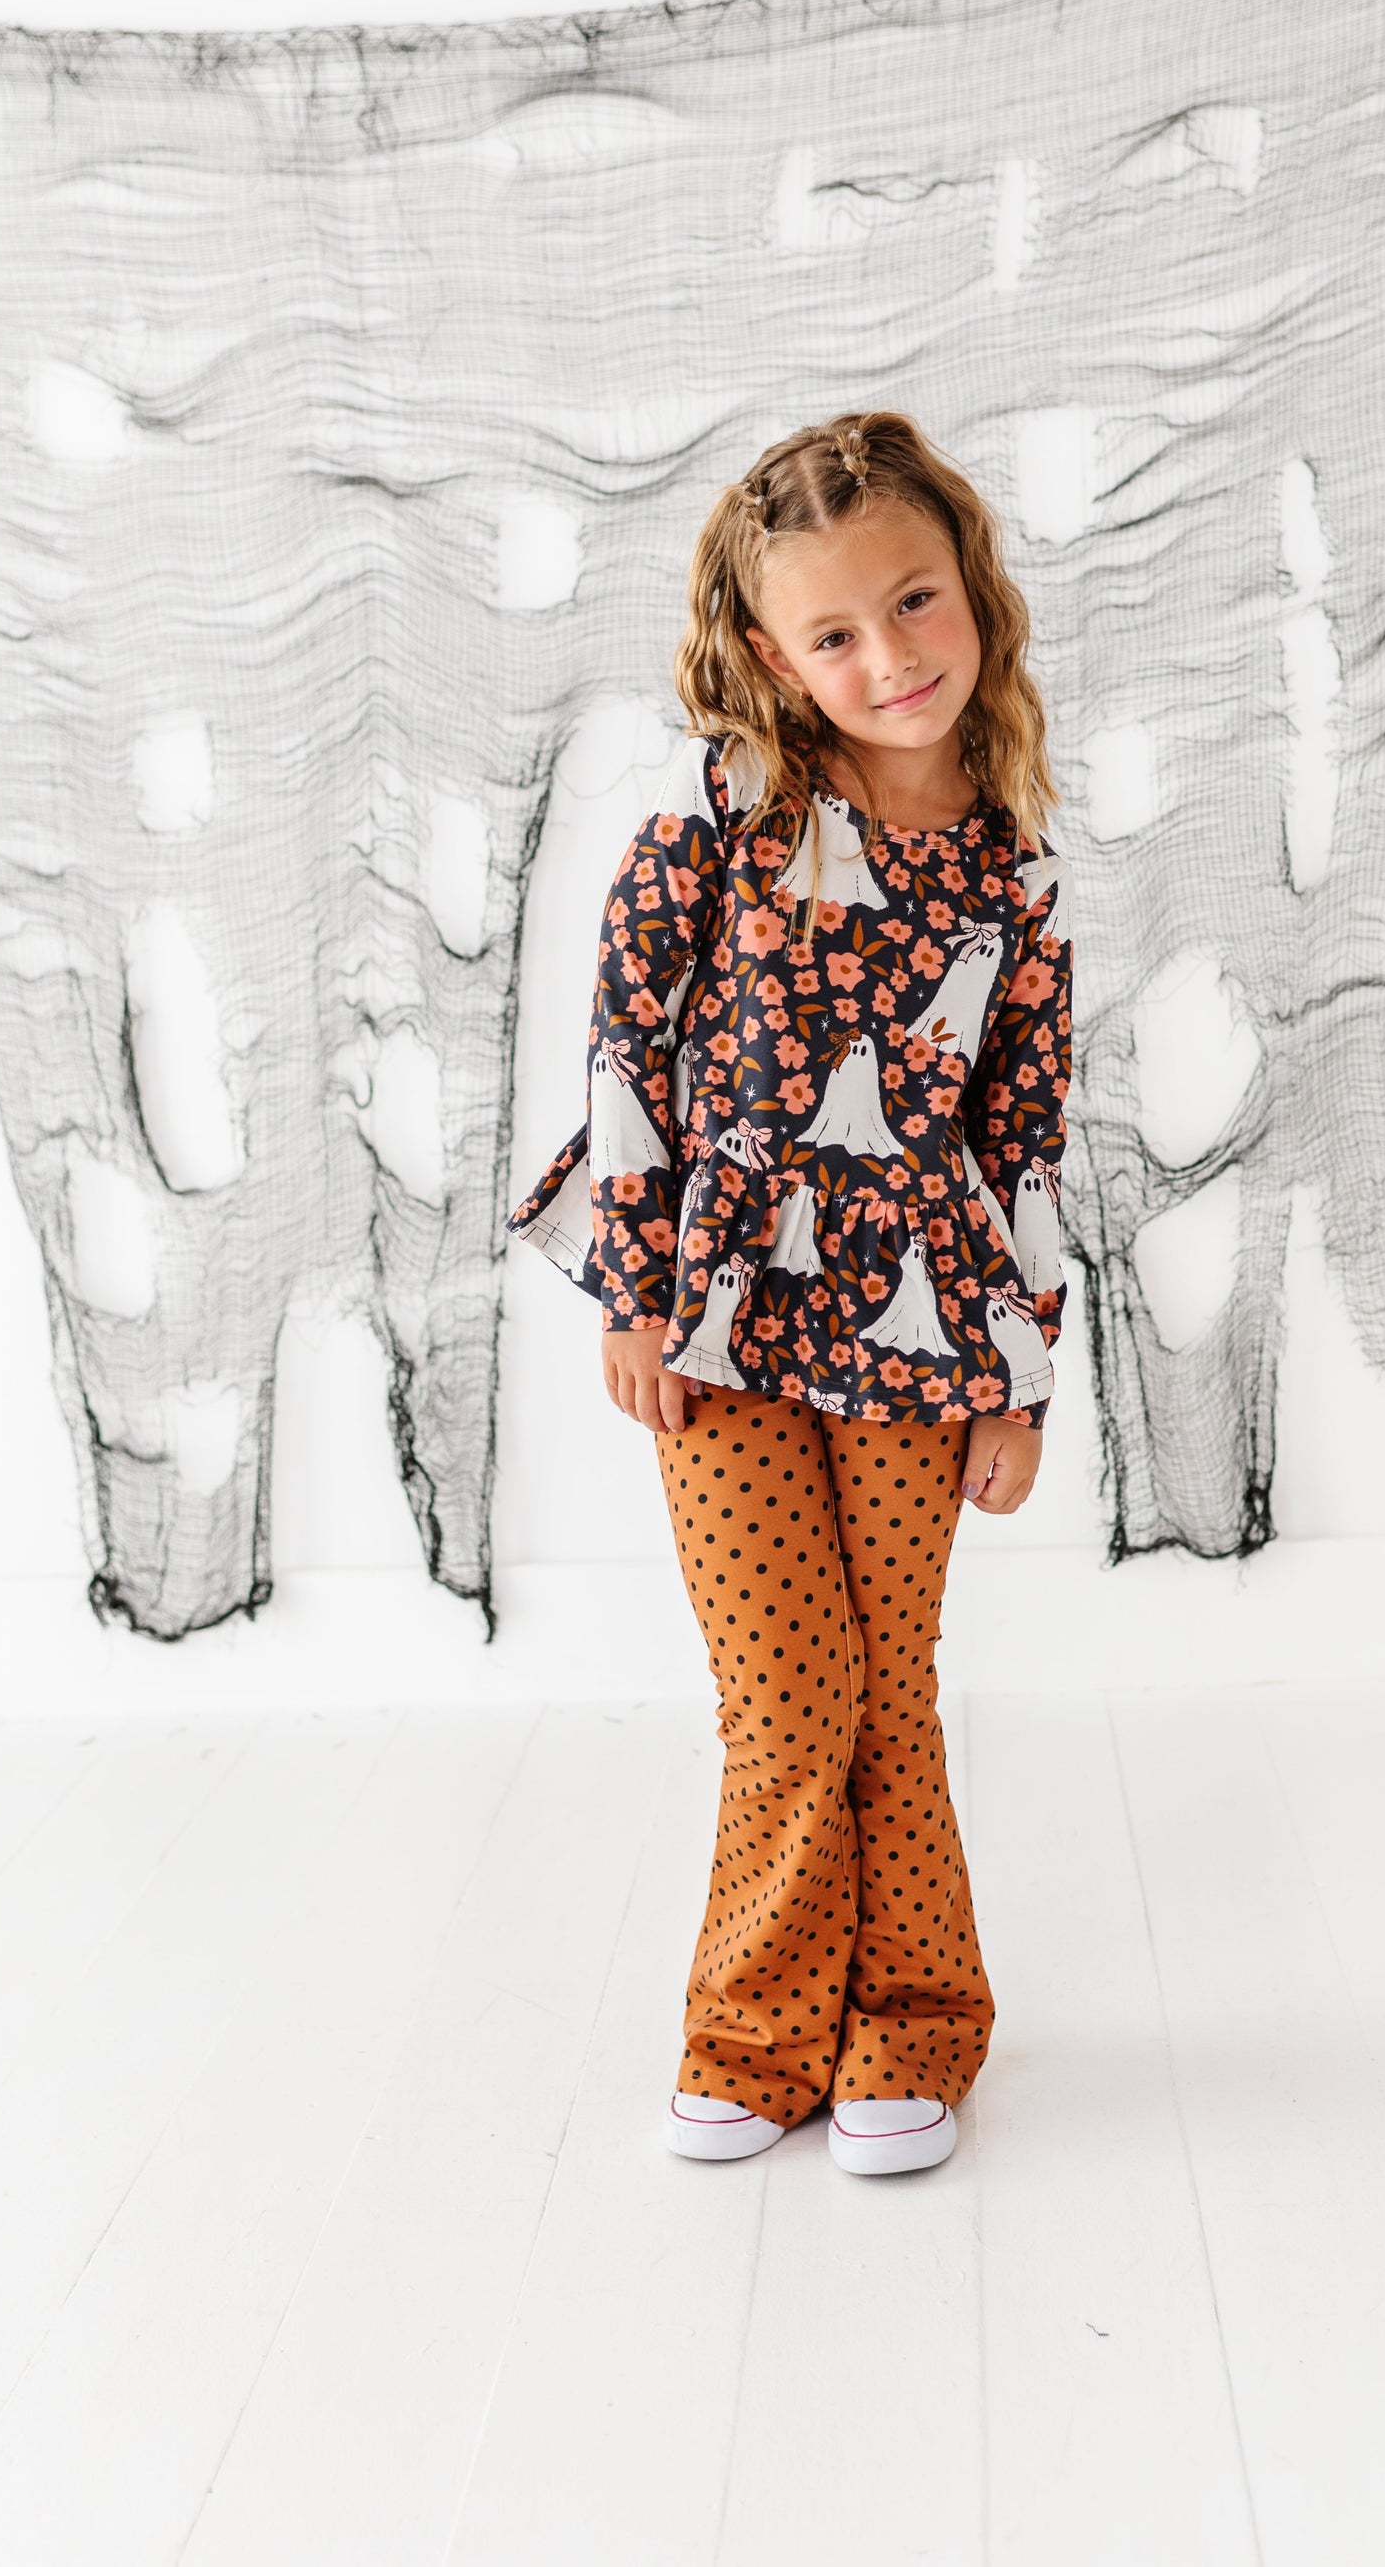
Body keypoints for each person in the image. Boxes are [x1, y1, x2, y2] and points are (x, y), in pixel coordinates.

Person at [507, 408, 1073, 2178]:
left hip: (925, 1337)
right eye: (833, 632)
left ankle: (911, 2024)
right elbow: (626, 1056)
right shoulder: (719, 823)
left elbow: (1024, 1133)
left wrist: (1021, 1377)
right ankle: (750, 2034)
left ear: (969, 587)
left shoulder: (1013, 870)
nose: (889, 657)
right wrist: (630, 1291)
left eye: (913, 602)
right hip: (716, 1321)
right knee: (785, 1697)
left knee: (887, 1691)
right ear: (769, 655)